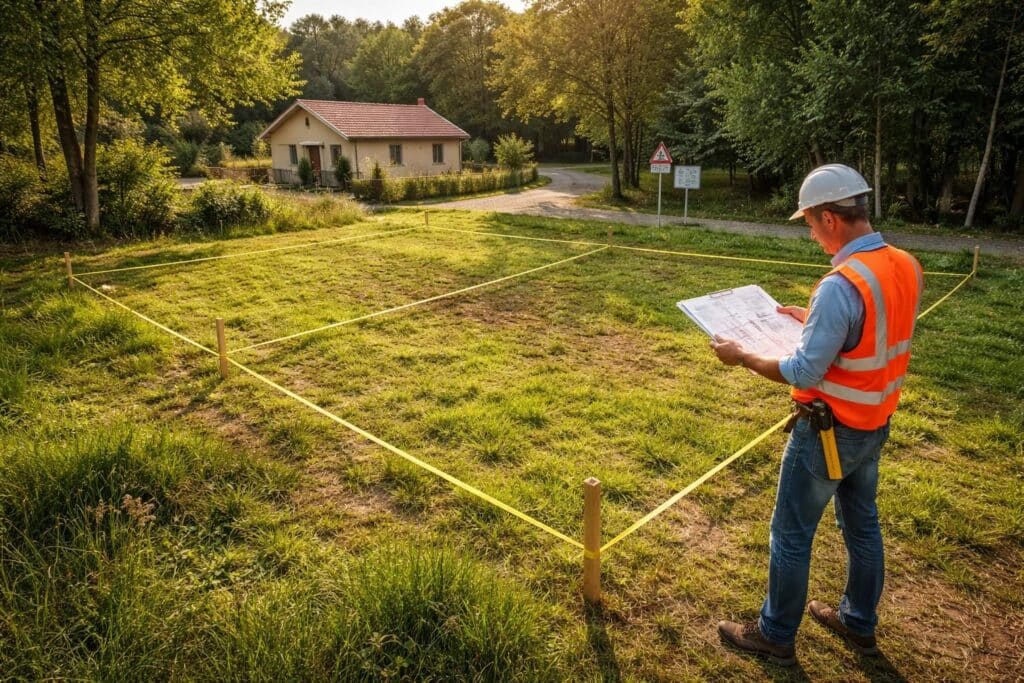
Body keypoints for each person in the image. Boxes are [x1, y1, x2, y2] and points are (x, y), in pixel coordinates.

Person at [710, 164, 923, 666]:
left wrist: (742, 356)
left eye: (808, 222)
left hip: (828, 430)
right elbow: (875, 326)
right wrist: (812, 321)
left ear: (830, 218)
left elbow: (804, 371)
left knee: (790, 534)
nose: (809, 233)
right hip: (874, 422)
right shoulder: (904, 264)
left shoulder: (840, 284)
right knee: (863, 525)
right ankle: (857, 622)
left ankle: (775, 635)